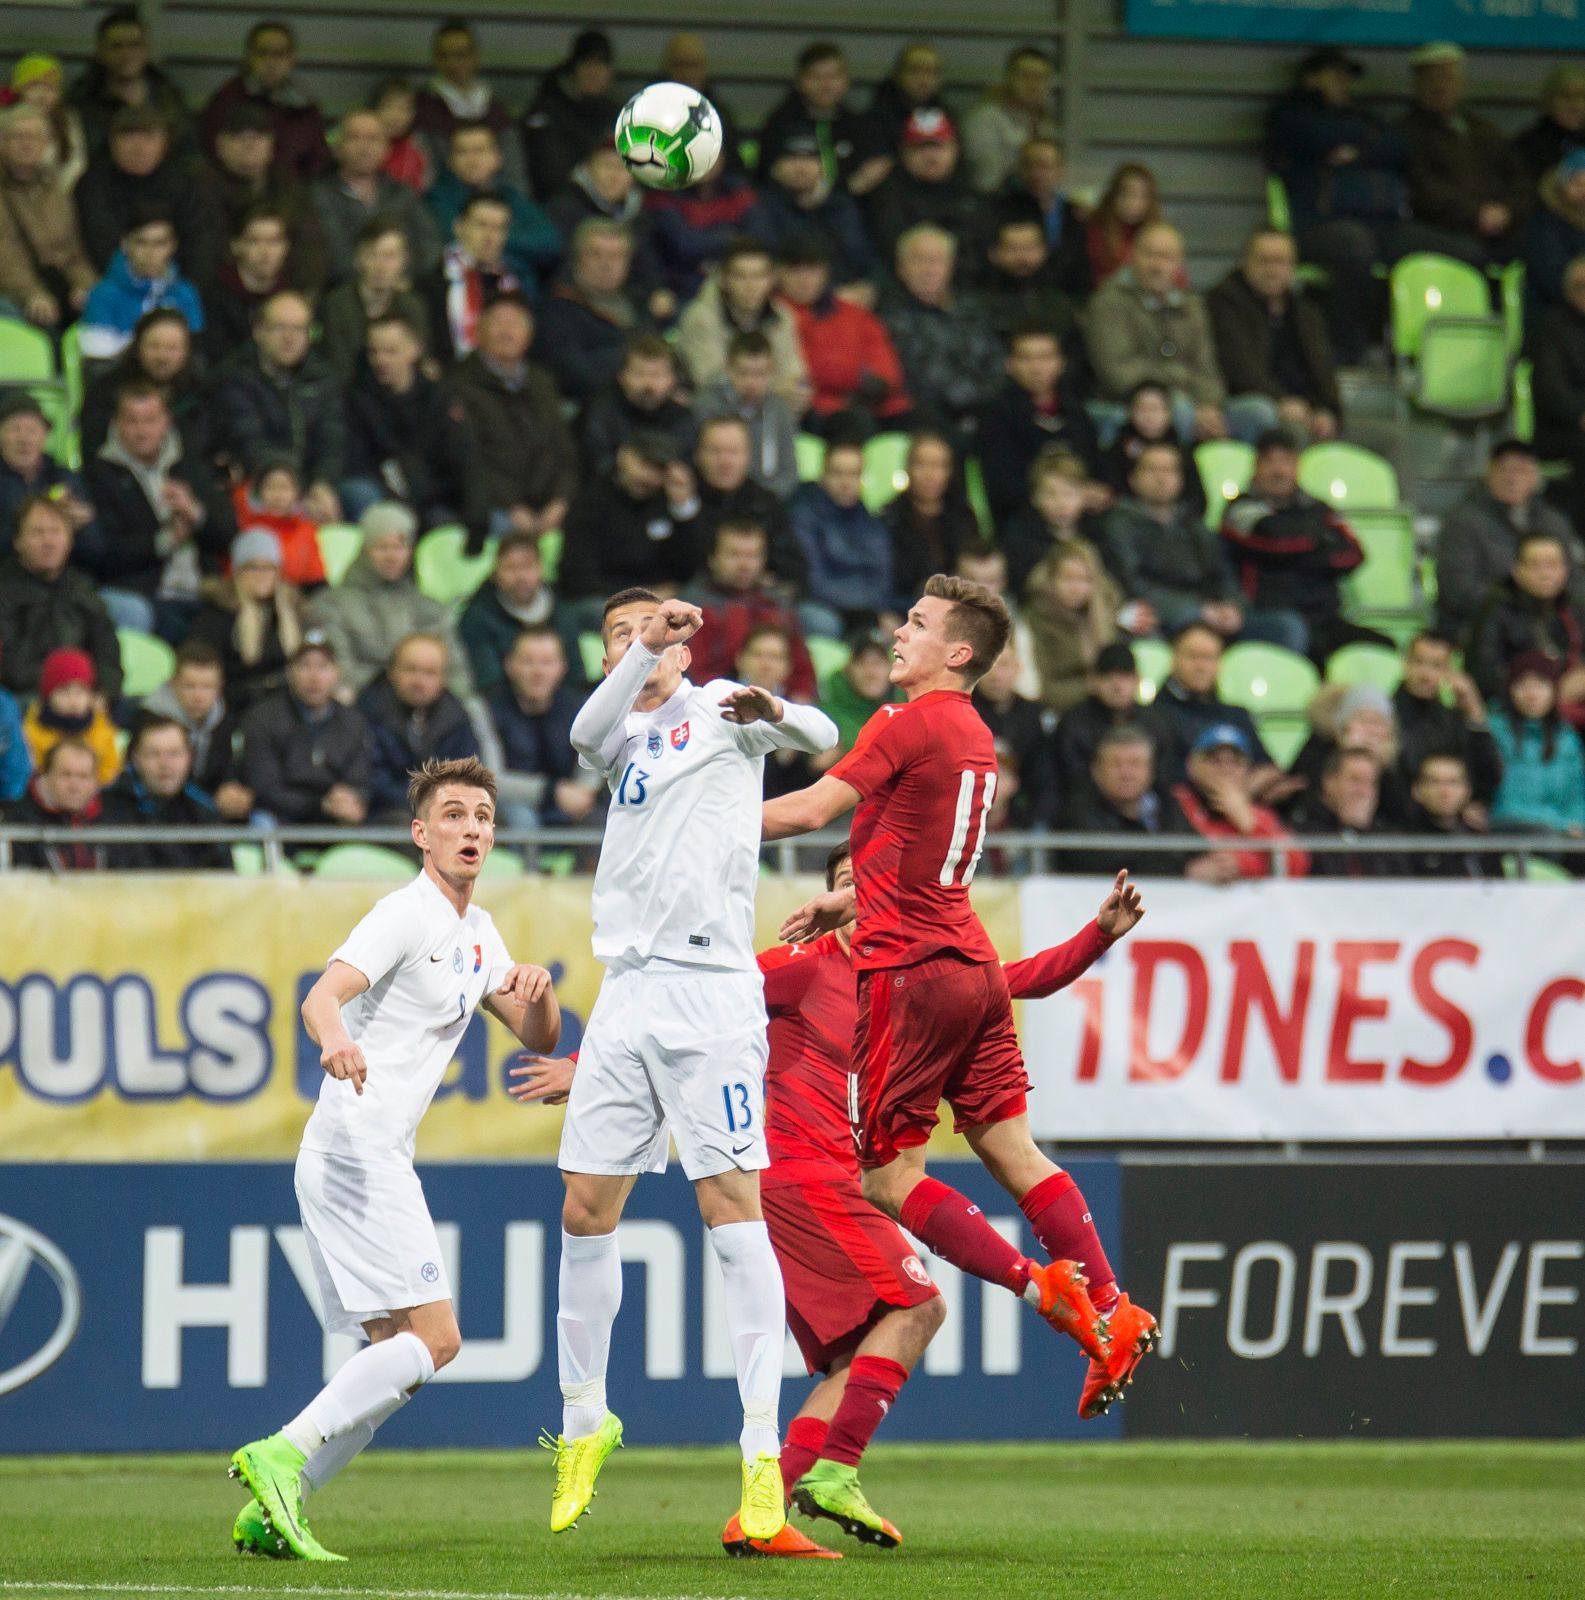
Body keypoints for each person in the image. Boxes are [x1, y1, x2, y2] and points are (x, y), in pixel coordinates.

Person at [516, 840, 1136, 1552]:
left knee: (864, 1351)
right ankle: (838, 1467)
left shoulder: (915, 975)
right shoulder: (804, 967)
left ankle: (768, 1513)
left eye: (867, 882)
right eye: (844, 883)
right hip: (803, 1177)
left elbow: (1018, 978)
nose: (856, 896)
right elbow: (691, 1005)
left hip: (842, 1183)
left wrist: (1097, 936)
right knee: (918, 1307)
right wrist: (587, 1064)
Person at [760, 575, 1159, 1426]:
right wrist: (851, 900)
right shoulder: (976, 731)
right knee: (1013, 1150)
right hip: (969, 961)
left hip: (908, 974)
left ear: (958, 651)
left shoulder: (903, 719)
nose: (898, 632)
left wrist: (682, 820)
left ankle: (1044, 1291)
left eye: (917, 622)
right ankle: (1113, 1306)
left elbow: (809, 809)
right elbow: (910, 842)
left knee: (887, 1177)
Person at [544, 589, 837, 1539]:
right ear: (608, 660)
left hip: (709, 993)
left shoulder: (719, 709)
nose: (640, 646)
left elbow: (824, 736)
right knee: (584, 1208)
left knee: (729, 1209)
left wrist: (775, 708)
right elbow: (583, 736)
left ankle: (760, 1452)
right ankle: (584, 1422)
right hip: (625, 992)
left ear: (686, 650)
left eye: (653, 633)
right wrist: (645, 645)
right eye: (617, 639)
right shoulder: (616, 735)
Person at [228, 757, 557, 1561]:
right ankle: (284, 1453)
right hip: (356, 1148)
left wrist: (540, 990)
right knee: (437, 1341)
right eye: (453, 815)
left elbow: (537, 1036)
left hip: (366, 1149)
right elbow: (320, 995)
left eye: (482, 816)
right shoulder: (403, 915)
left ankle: (276, 1507)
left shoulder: (478, 932)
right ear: (420, 834)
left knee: (396, 1356)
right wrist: (335, 1040)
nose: (471, 828)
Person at [1263, 47, 1411, 364]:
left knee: (1431, 244)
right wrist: (1361, 145)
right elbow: (1314, 136)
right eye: (1336, 76)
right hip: (1315, 225)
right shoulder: (1290, 116)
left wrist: (1356, 152)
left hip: (1380, 224)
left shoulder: (1362, 116)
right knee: (1355, 248)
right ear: (1311, 80)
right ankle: (1347, 349)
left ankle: (1413, 350)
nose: (1344, 83)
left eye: (1347, 77)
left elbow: (1399, 146)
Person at [80, 381, 234, 639]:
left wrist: (195, 512)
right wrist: (163, 542)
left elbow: (229, 532)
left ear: (166, 423)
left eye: (150, 421)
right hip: (146, 595)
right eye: (132, 421)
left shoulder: (190, 468)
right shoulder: (99, 476)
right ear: (116, 424)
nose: (141, 431)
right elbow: (104, 553)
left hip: (205, 592)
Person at [1221, 428, 1385, 663]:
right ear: (1255, 466)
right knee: (1295, 632)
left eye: (1286, 461)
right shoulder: (1240, 509)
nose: (1279, 471)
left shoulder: (1319, 507)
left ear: (1298, 465)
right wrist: (1321, 544)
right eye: (1270, 461)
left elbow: (1354, 553)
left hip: (1324, 618)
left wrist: (1301, 549)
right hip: (1269, 615)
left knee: (1382, 647)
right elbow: (1275, 542)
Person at [1087, 223, 1257, 444]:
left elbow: (1207, 370)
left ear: (1179, 263)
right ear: (1132, 255)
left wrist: (1208, 407)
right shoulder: (1109, 303)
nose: (1158, 265)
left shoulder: (1192, 306)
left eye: (1167, 257)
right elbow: (1117, 372)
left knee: (1257, 412)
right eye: (1150, 255)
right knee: (1179, 410)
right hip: (1127, 404)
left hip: (1192, 402)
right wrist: (1177, 389)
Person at [341, 312, 489, 544]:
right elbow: (361, 464)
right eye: (374, 352)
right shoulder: (358, 400)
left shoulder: (440, 398)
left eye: (391, 351)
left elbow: (466, 459)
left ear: (414, 350)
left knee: (498, 525)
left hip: (439, 500)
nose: (381, 360)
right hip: (391, 501)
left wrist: (476, 516)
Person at [1101, 441, 1260, 643]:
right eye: (1152, 469)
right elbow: (1132, 584)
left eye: (1170, 470)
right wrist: (1196, 611)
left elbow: (1222, 572)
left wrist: (1233, 606)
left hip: (1211, 613)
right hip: (1160, 619)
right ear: (1133, 478)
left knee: (1280, 627)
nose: (1161, 478)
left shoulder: (1193, 523)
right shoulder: (1118, 525)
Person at [306, 503, 471, 699]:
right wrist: (401, 686)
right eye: (382, 547)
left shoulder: (428, 607)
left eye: (400, 547)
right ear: (365, 550)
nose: (392, 556)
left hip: (428, 704)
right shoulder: (331, 605)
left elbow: (455, 669)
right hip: (364, 701)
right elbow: (337, 669)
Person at [446, 293, 576, 541]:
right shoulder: (459, 385)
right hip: (494, 504)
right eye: (498, 324)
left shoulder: (543, 382)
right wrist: (511, 506)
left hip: (548, 503)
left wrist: (560, 501)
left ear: (529, 335)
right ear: (479, 331)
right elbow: (469, 458)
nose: (506, 333)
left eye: (515, 325)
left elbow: (564, 450)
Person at [217, 291, 345, 523]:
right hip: (262, 481)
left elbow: (332, 441)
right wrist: (291, 490)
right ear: (258, 332)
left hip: (311, 483)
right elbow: (249, 442)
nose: (289, 337)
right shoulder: (236, 378)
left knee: (359, 495)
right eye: (279, 327)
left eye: (299, 329)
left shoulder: (322, 378)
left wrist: (322, 484)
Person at [1437, 439, 1584, 636]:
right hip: (1479, 630)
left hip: (1550, 629)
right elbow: (1457, 589)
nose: (1512, 479)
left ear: (1535, 477)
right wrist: (1517, 609)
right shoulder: (1462, 522)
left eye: (1521, 470)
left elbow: (1575, 580)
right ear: (1488, 474)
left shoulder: (1553, 522)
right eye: (1504, 470)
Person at [1403, 42, 1530, 268]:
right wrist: (1476, 214)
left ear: (1461, 82)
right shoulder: (1407, 133)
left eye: (1448, 77)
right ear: (1418, 84)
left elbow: (1519, 178)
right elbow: (1422, 189)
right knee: (1470, 253)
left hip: (1502, 224)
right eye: (1433, 79)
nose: (1441, 86)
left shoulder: (1484, 129)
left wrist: (1507, 210)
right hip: (1444, 229)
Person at [1207, 230, 1341, 442]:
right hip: (1244, 403)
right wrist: (1281, 401)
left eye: (1280, 262)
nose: (1272, 270)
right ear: (1245, 262)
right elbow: (1238, 368)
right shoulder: (1224, 303)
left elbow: (1323, 370)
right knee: (1270, 418)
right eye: (1263, 261)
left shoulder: (1306, 313)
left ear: (1293, 267)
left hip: (1301, 408)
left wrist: (1326, 409)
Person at [777, 238, 910, 438]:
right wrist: (855, 377)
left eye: (813, 271)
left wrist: (874, 384)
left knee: (924, 423)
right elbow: (806, 374)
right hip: (813, 410)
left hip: (869, 403)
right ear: (779, 273)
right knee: (856, 424)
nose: (804, 280)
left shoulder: (854, 314)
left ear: (825, 273)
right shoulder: (777, 316)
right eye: (795, 271)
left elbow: (886, 369)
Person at [190, 102, 327, 292]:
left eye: (259, 136)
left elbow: (310, 248)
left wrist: (302, 293)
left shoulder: (290, 187)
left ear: (272, 144)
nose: (250, 144)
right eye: (239, 137)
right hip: (222, 295)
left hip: (285, 294)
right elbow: (203, 257)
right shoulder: (200, 190)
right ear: (220, 145)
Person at [880, 225, 1002, 434]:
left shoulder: (974, 311)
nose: (928, 270)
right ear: (900, 268)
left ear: (951, 266)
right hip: (922, 417)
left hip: (981, 410)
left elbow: (996, 367)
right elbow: (910, 379)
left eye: (936, 261)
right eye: (918, 260)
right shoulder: (887, 317)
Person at [237, 636, 369, 825]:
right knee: (261, 823)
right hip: (279, 816)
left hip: (335, 818)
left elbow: (360, 781)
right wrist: (320, 804)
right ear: (289, 672)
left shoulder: (354, 722)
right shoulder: (262, 718)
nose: (314, 677)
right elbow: (264, 787)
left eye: (322, 666)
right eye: (305, 666)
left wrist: (352, 799)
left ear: (337, 673)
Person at [0, 494, 121, 700]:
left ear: (70, 540)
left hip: (81, 696)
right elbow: (10, 667)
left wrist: (104, 695)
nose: (48, 541)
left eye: (56, 532)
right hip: (24, 697)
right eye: (37, 532)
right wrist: (63, 686)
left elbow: (107, 655)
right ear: (18, 542)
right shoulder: (5, 592)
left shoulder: (83, 591)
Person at [1060, 727, 1223, 880]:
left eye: (1136, 764)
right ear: (1096, 771)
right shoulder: (1076, 813)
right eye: (1116, 764)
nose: (1126, 774)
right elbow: (1112, 864)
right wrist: (1184, 871)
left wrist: (1219, 865)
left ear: (1151, 770)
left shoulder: (1167, 804)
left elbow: (1194, 849)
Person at [1153, 622, 1292, 798]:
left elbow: (1268, 768)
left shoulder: (1238, 716)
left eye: (1209, 658)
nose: (1201, 667)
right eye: (1192, 656)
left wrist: (1243, 793)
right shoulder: (1154, 716)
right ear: (1173, 659)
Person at [683, 518, 818, 700]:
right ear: (713, 558)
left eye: (752, 555)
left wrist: (800, 700)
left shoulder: (779, 604)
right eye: (734, 555)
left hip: (779, 705)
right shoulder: (694, 607)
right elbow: (691, 674)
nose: (744, 565)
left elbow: (802, 670)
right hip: (715, 704)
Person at [978, 328, 1099, 523]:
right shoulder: (996, 415)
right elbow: (1002, 485)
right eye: (1026, 358)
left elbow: (1094, 463)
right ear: (1010, 364)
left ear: (1061, 363)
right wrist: (1052, 497)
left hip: (1083, 516)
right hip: (1023, 520)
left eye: (1045, 357)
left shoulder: (1076, 410)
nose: (1036, 367)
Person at [424, 122, 560, 295]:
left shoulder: (511, 196)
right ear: (450, 161)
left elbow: (551, 242)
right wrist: (515, 250)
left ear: (498, 158)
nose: (472, 160)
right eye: (463, 152)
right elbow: (460, 244)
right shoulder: (437, 199)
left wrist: (495, 241)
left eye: (480, 151)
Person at [358, 633, 483, 819]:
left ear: (443, 679)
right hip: (385, 812)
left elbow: (469, 776)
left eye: (430, 673)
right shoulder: (368, 713)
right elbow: (371, 779)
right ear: (391, 672)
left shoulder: (456, 718)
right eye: (410, 670)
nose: (419, 681)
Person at [72, 103, 208, 274]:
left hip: (179, 282)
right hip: (115, 282)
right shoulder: (93, 186)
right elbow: (100, 246)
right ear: (112, 143)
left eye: (149, 138)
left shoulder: (185, 185)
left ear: (165, 144)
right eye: (128, 138)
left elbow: (202, 245)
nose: (138, 148)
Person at [311, 109, 440, 287]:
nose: (364, 148)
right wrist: (373, 284)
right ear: (336, 147)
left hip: (402, 289)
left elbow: (430, 244)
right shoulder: (318, 194)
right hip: (341, 291)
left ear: (387, 148)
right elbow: (333, 254)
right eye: (354, 138)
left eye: (373, 139)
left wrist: (401, 277)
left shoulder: (402, 193)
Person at [676, 237, 808, 412]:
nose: (751, 286)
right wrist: (775, 391)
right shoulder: (700, 318)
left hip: (769, 412)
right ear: (724, 279)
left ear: (772, 279)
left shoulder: (782, 316)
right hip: (710, 414)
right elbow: (712, 385)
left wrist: (794, 391)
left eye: (759, 276)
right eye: (740, 277)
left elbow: (794, 375)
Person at [486, 626, 598, 829]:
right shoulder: (486, 708)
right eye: (528, 662)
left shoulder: (582, 707)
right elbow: (489, 780)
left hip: (572, 803)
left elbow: (594, 762)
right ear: (509, 665)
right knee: (521, 818)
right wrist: (552, 793)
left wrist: (583, 792)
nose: (538, 672)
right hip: (511, 804)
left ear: (563, 667)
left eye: (547, 662)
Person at [534, 219, 655, 403]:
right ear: (578, 258)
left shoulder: (639, 303)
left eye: (616, 256)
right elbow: (573, 374)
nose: (606, 264)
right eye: (596, 254)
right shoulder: (556, 309)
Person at [1464, 531, 1585, 713]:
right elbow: (1484, 675)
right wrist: (1549, 692)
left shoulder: (1573, 608)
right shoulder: (1495, 609)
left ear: (1566, 569)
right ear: (1516, 570)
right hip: (1511, 713)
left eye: (1552, 565)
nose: (1545, 574)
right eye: (1535, 565)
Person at [198, 20, 330, 183]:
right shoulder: (226, 101)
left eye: (279, 54)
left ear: (291, 60)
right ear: (249, 57)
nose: (271, 62)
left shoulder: (306, 108)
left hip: (292, 193)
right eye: (262, 53)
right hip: (233, 191)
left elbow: (319, 161)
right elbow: (210, 154)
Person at [0, 104, 96, 329]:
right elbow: (5, 254)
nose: (27, 144)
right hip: (13, 294)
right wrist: (31, 293)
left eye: (35, 137)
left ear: (46, 145)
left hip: (56, 287)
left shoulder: (57, 193)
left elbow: (74, 252)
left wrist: (84, 285)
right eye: (18, 137)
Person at [187, 528, 304, 712]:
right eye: (253, 567)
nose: (262, 575)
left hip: (287, 703)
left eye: (269, 568)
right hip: (237, 704)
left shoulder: (293, 612)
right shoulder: (217, 614)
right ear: (238, 571)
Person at [1172, 723, 1309, 879]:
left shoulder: (1258, 814)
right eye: (1215, 760)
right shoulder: (1175, 803)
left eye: (1235, 762)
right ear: (1191, 765)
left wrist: (1250, 823)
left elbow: (1297, 865)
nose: (1226, 769)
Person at [100, 714, 231, 870]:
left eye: (174, 753)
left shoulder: (204, 810)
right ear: (136, 758)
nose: (165, 764)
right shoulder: (107, 807)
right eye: (153, 754)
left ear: (189, 757)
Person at [693, 417, 808, 594]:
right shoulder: (681, 500)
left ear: (748, 456)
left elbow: (794, 567)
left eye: (734, 452)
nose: (725, 461)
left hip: (756, 599)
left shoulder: (766, 503)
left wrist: (767, 578)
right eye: (715, 451)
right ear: (698, 455)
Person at [1394, 631, 1503, 816]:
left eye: (1436, 666)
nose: (1426, 674)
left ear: (1449, 672)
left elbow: (1489, 777)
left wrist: (1475, 715)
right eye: (1418, 662)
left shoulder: (1454, 719)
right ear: (1405, 663)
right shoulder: (1385, 714)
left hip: (1451, 819)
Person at [78, 205, 205, 363]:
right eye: (141, 242)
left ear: (173, 245)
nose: (150, 253)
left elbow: (194, 358)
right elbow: (97, 364)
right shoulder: (102, 295)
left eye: (159, 243)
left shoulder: (186, 295)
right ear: (125, 244)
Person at [750, 138, 875, 298]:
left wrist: (870, 286)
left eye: (809, 158)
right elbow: (771, 262)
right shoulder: (761, 206)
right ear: (776, 167)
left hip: (849, 294)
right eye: (792, 158)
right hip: (787, 298)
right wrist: (831, 295)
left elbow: (864, 257)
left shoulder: (841, 205)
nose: (801, 167)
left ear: (822, 165)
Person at [545, 143, 667, 307]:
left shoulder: (638, 213)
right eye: (607, 166)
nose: (614, 176)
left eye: (622, 168)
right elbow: (558, 268)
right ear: (588, 168)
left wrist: (655, 291)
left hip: (626, 299)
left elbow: (646, 262)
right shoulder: (563, 209)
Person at [789, 442, 894, 633]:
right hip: (820, 605)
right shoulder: (803, 517)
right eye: (837, 473)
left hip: (864, 609)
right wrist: (865, 609)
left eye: (853, 474)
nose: (845, 483)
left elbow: (882, 581)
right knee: (823, 623)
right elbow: (814, 582)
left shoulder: (872, 522)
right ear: (823, 476)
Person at [143, 638, 252, 817]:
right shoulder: (149, 721)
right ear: (172, 683)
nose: (198, 696)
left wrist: (230, 789)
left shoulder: (225, 720)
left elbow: (227, 768)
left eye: (207, 687)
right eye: (189, 686)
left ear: (220, 687)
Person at [81, 308, 207, 461]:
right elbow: (92, 445)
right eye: (154, 346)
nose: (162, 356)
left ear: (187, 351)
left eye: (172, 348)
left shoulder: (200, 391)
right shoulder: (107, 390)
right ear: (138, 346)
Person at [865, 109, 985, 270]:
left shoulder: (973, 193)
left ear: (955, 149)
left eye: (938, 146)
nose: (930, 156)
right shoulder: (886, 197)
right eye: (919, 147)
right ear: (904, 153)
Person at [317, 217, 430, 386]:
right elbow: (338, 369)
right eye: (372, 255)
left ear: (404, 261)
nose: (381, 265)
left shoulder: (414, 306)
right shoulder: (336, 306)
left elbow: (420, 364)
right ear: (357, 259)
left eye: (390, 256)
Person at [459, 533, 577, 696]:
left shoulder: (562, 610)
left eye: (527, 566)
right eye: (511, 568)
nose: (520, 577)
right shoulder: (476, 617)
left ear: (541, 569)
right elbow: (488, 682)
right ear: (495, 573)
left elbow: (576, 676)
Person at [1050, 640, 1172, 796]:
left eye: (1125, 677)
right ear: (1092, 681)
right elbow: (1071, 783)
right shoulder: (1073, 725)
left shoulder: (1155, 723)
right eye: (1107, 677)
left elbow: (1163, 781)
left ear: (1137, 680)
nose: (1117, 686)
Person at [69, 7, 190, 161]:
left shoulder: (169, 98)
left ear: (147, 49)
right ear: (100, 51)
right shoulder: (82, 103)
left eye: (135, 45)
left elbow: (186, 154)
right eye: (117, 46)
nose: (126, 55)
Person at [1286, 681, 1411, 827]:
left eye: (1378, 723)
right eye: (1364, 720)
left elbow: (1402, 814)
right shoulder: (1319, 748)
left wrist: (1383, 766)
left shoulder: (1395, 764)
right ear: (1345, 723)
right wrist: (1347, 752)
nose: (1371, 729)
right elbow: (1302, 791)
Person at [412, 21, 521, 189]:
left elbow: (515, 172)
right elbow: (428, 174)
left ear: (475, 56)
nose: (452, 63)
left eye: (460, 54)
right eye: (444, 55)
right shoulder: (422, 109)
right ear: (435, 59)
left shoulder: (497, 111)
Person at [695, 331, 800, 501]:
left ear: (772, 371)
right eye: (743, 373)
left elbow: (789, 472)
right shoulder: (707, 405)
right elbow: (699, 462)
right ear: (728, 369)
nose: (751, 383)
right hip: (715, 498)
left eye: (760, 374)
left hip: (766, 500)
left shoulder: (780, 409)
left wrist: (763, 499)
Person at [1489, 653, 1585, 837]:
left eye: (1541, 685)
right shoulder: (1495, 731)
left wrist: (1577, 823)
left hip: (1561, 832)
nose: (1532, 695)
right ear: (1509, 690)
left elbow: (1577, 795)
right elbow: (1504, 803)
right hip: (1508, 829)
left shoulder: (1566, 738)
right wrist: (1561, 824)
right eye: (1522, 685)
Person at [520, 29, 623, 202]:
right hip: (557, 203)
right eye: (587, 64)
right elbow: (548, 175)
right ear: (573, 68)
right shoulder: (545, 112)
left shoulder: (617, 114)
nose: (594, 73)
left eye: (601, 65)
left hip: (614, 204)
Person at [756, 42, 870, 194]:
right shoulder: (780, 124)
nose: (826, 85)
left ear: (846, 81)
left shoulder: (861, 126)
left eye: (833, 76)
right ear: (800, 81)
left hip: (846, 204)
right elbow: (764, 175)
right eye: (817, 77)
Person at [420, 190, 519, 364]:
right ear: (458, 227)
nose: (490, 237)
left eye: (499, 228)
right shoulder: (429, 283)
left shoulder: (510, 287)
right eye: (482, 225)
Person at [1000, 447, 1112, 599]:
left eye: (1068, 494)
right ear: (1034, 498)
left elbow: (1112, 580)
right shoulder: (1021, 537)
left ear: (1084, 495)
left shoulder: (1097, 533)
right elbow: (1022, 587)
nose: (1060, 503)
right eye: (1050, 494)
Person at [1024, 540, 1119, 714]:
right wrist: (1093, 687)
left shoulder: (1106, 611)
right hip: (1060, 712)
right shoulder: (1037, 619)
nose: (1076, 589)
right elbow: (1042, 687)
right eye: (1068, 579)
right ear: (1051, 579)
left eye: (1084, 580)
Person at [581, 333, 696, 474]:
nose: (648, 384)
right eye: (639, 374)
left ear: (673, 379)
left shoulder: (682, 417)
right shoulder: (600, 412)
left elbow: (687, 463)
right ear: (621, 377)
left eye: (657, 375)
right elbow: (597, 465)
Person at [884, 431, 979, 602]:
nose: (930, 474)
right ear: (908, 468)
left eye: (938, 465)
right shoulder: (890, 517)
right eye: (921, 464)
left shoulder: (962, 514)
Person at [993, 138, 1091, 301]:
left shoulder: (1074, 214)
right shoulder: (1001, 210)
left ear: (1060, 170)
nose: (1037, 174)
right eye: (1029, 165)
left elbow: (1081, 267)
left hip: (1066, 299)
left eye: (1044, 166)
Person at [1289, 745, 1406, 877]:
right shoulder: (1300, 833)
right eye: (1355, 780)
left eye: (1371, 783)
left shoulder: (1387, 840)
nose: (1363, 791)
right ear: (1329, 782)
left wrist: (1362, 831)